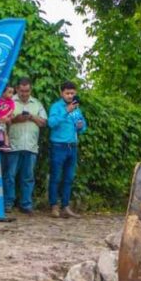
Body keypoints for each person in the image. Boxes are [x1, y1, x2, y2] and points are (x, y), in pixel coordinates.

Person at [4, 78, 46, 214]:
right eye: (21, 91)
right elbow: (3, 120)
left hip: (31, 146)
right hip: (13, 145)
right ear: (17, 89)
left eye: (27, 91)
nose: (24, 94)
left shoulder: (37, 104)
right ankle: (8, 203)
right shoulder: (10, 102)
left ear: (30, 90)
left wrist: (32, 117)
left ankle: (26, 204)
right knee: (10, 176)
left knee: (28, 177)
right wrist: (16, 119)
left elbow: (44, 122)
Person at [47, 81, 87, 218]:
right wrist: (65, 111)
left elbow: (83, 127)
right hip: (59, 147)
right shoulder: (56, 107)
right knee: (56, 177)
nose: (70, 96)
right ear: (61, 93)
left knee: (69, 178)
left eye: (72, 93)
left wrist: (81, 126)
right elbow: (51, 123)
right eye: (67, 93)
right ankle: (54, 206)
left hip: (72, 147)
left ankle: (65, 206)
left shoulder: (77, 109)